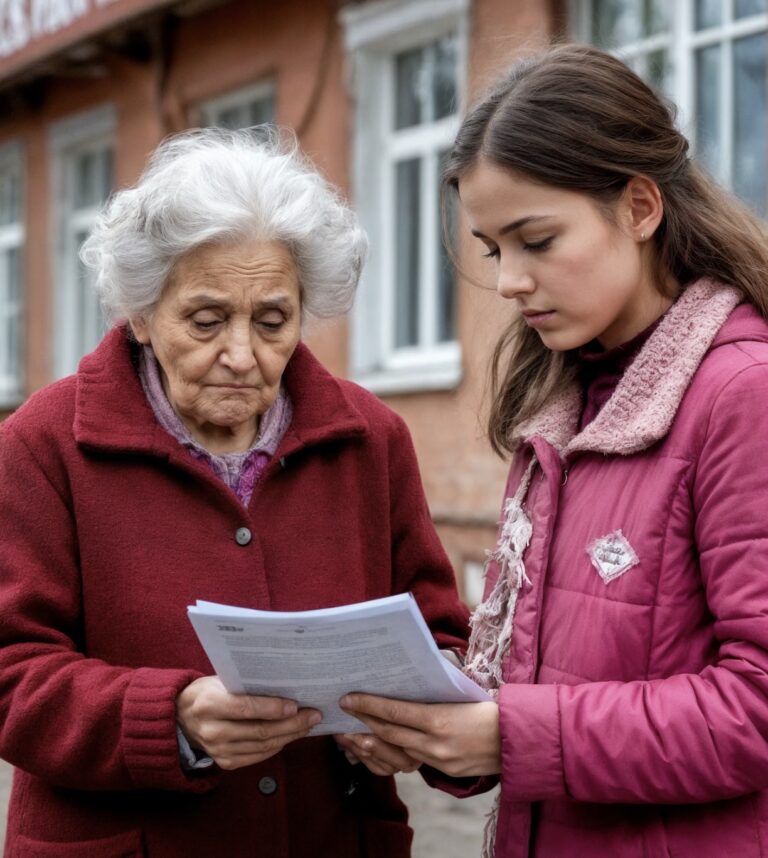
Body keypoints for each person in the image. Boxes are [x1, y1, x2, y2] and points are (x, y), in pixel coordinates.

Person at [337, 44, 768, 858]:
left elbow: (757, 706)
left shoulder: (742, 395)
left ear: (640, 208)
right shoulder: (559, 408)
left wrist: (508, 736)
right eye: (496, 249)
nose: (507, 282)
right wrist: (437, 730)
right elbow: (530, 682)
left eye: (536, 239)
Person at [0, 127, 469, 858]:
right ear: (143, 315)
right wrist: (173, 719)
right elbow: (12, 669)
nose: (244, 355)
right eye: (207, 319)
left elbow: (444, 638)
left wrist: (417, 725)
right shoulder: (45, 443)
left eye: (274, 321)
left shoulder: (370, 438)